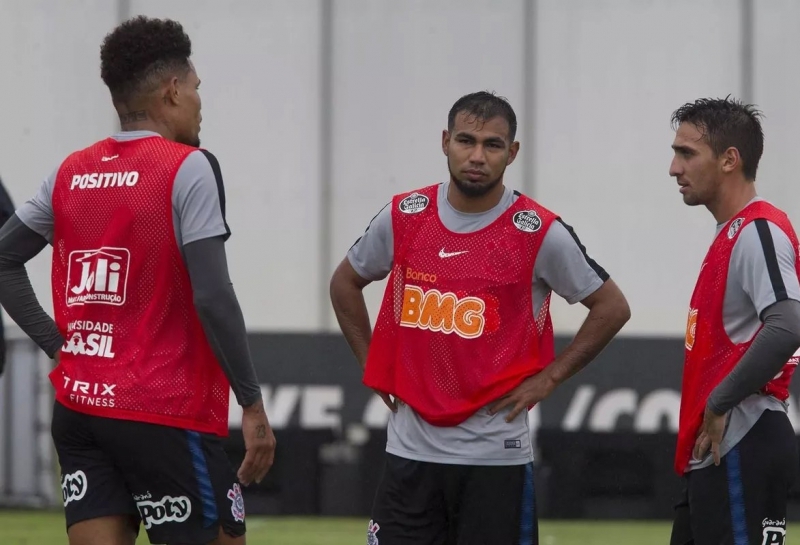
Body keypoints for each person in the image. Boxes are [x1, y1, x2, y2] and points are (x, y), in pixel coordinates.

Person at [0, 16, 276, 545]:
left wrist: (59, 346)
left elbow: (4, 260)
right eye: (196, 88)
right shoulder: (189, 167)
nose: (199, 101)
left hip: (80, 409)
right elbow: (214, 296)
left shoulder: (68, 171)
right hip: (164, 412)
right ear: (173, 91)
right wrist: (252, 403)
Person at [330, 91, 631, 545]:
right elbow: (344, 283)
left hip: (496, 455)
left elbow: (612, 308)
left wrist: (548, 379)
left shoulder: (538, 230)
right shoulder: (404, 215)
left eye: (492, 145)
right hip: (410, 452)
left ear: (512, 153)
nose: (477, 156)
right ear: (445, 141)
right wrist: (372, 365)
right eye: (466, 141)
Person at [669, 97, 800, 545]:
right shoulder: (731, 233)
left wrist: (720, 401)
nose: (673, 167)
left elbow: (787, 324)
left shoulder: (757, 231)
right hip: (718, 451)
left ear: (729, 160)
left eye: (687, 153)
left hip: (744, 440)